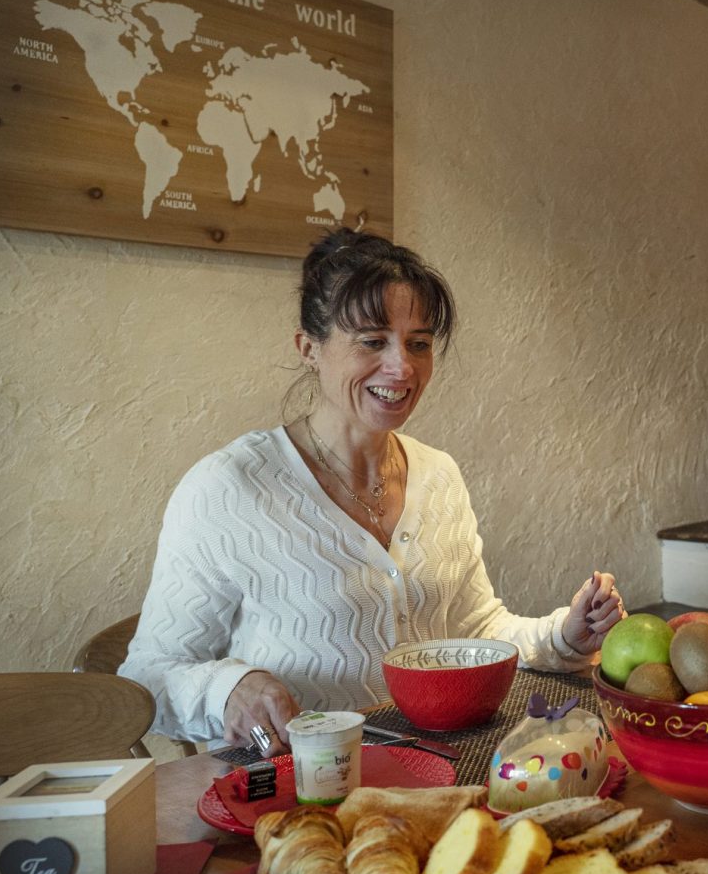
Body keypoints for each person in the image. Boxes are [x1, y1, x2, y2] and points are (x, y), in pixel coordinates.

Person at [121, 229, 626, 753]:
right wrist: (226, 690)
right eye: (372, 341)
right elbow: (147, 677)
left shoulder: (439, 475)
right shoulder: (228, 487)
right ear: (309, 348)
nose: (402, 367)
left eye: (419, 343)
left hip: (439, 772)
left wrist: (564, 637)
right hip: (294, 794)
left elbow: (473, 630)